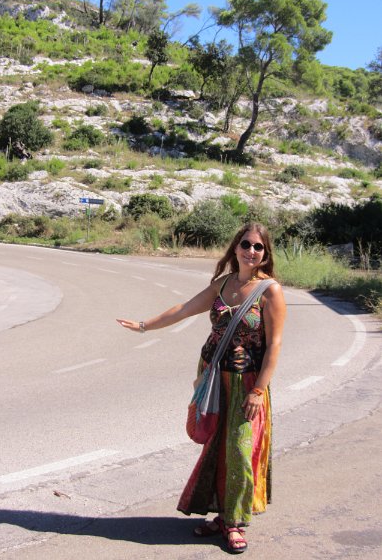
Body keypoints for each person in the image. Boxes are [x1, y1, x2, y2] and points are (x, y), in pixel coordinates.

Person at [117, 222, 286, 554]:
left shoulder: (270, 291)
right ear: (235, 247)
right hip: (212, 376)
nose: (251, 251)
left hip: (246, 383)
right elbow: (184, 309)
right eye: (246, 244)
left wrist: (258, 391)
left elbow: (275, 345)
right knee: (215, 447)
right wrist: (144, 325)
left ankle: (235, 522)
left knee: (240, 450)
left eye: (258, 247)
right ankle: (222, 516)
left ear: (265, 254)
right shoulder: (223, 284)